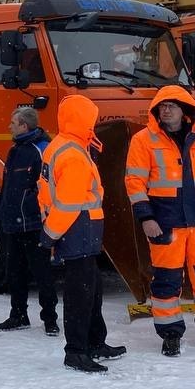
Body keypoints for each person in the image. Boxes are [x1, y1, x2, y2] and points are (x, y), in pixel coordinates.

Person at [125, 86, 195, 357]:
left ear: (184, 109)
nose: (166, 110)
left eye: (172, 106)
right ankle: (170, 334)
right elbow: (134, 182)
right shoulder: (143, 140)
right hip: (165, 223)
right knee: (166, 282)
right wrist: (146, 218)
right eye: (162, 106)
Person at [37, 94, 127, 373]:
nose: (95, 123)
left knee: (92, 289)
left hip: (80, 229)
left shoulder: (66, 146)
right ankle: (76, 351)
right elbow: (69, 202)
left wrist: (50, 232)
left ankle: (94, 342)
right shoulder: (73, 153)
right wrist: (50, 235)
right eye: (92, 117)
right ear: (83, 119)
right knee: (81, 293)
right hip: (78, 229)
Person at [0, 106, 59, 335]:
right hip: (14, 223)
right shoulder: (15, 150)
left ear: (24, 125)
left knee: (42, 273)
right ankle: (18, 315)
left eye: (13, 122)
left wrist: (30, 206)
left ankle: (50, 319)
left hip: (33, 223)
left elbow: (48, 185)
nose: (9, 126)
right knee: (16, 272)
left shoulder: (41, 149)